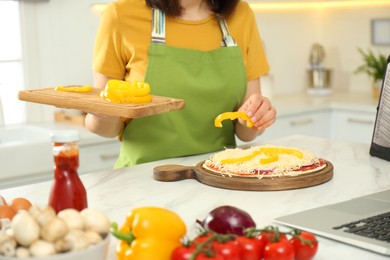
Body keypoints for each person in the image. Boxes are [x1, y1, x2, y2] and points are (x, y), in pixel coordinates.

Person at [85, 0, 277, 168]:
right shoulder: (120, 15)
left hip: (220, 175)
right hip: (143, 179)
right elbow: (107, 128)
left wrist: (255, 117)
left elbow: (245, 131)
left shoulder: (241, 14)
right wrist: (102, 114)